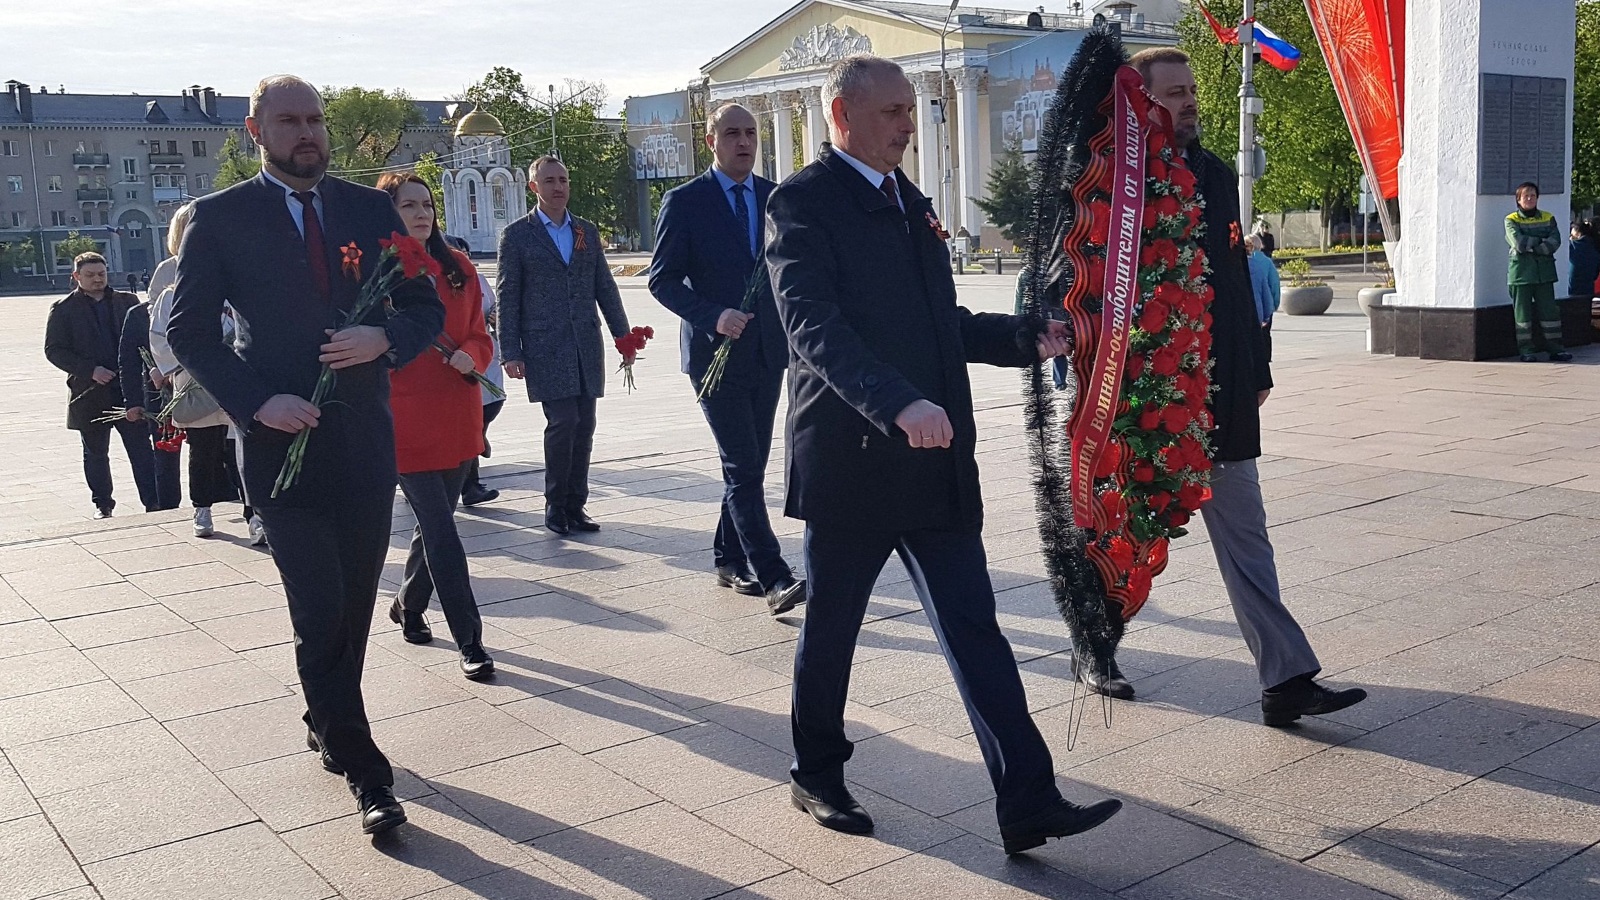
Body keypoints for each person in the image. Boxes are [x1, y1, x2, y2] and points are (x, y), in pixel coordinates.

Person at [767, 54, 1121, 855]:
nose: (905, 123)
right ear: (841, 115)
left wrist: (1024, 337)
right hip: (855, 461)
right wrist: (897, 402)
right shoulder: (802, 203)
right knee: (832, 628)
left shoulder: (909, 201)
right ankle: (816, 771)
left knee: (976, 628)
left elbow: (940, 323)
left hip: (932, 460)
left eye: (906, 110)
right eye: (891, 110)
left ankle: (1027, 799)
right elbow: (813, 328)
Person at [168, 75, 444, 836]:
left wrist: (386, 337)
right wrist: (257, 401)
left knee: (353, 605)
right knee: (318, 603)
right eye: (290, 121)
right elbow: (189, 332)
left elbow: (423, 305)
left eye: (316, 120)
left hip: (363, 443)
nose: (308, 133)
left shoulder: (369, 208)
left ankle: (326, 718)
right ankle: (367, 769)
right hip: (278, 444)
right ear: (257, 130)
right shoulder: (219, 220)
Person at [1108, 46, 1367, 725]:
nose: (1190, 101)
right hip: (1143, 403)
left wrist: (1257, 368)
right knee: (1124, 531)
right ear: (1140, 102)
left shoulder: (1215, 173)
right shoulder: (1112, 183)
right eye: (1173, 93)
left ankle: (1285, 677)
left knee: (1247, 533)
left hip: (1218, 397)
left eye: (1192, 89)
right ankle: (1095, 645)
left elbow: (1231, 283)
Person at [648, 102, 805, 615]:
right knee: (741, 466)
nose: (744, 142)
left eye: (751, 133)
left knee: (751, 465)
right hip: (713, 356)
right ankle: (774, 575)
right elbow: (661, 280)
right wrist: (712, 315)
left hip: (766, 354)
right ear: (711, 140)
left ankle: (726, 555)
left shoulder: (774, 198)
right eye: (732, 133)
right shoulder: (685, 202)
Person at [378, 171, 496, 680]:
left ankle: (408, 603)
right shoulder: (376, 271)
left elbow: (479, 332)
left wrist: (473, 354)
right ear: (389, 213)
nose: (422, 213)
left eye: (426, 204)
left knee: (436, 522)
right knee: (443, 529)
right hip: (404, 416)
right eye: (409, 206)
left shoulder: (459, 267)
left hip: (456, 408)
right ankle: (470, 639)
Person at [497, 156, 630, 536]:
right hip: (544, 346)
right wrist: (511, 350)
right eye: (550, 181)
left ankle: (577, 505)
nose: (558, 187)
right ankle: (555, 506)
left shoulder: (584, 230)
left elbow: (604, 286)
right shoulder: (518, 235)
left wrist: (624, 337)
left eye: (563, 180)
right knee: (563, 422)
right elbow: (508, 295)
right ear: (533, 187)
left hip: (585, 344)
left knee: (584, 425)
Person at [148, 202, 251, 540]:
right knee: (203, 448)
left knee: (243, 449)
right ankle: (202, 509)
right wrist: (192, 362)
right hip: (195, 380)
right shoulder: (171, 293)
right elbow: (162, 338)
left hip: (236, 378)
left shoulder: (235, 281)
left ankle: (254, 513)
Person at [44, 251, 159, 518]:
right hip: (90, 393)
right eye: (90, 275)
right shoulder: (63, 309)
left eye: (101, 274)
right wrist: (90, 371)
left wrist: (151, 368)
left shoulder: (127, 302)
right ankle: (103, 504)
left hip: (129, 390)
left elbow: (146, 340)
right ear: (76, 277)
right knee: (95, 453)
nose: (97, 279)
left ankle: (153, 502)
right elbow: (54, 350)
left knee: (142, 450)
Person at [117, 286, 183, 512]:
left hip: (199, 390)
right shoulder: (137, 315)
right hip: (158, 397)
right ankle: (166, 507)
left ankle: (217, 499)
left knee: (210, 447)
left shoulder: (198, 304)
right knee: (165, 454)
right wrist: (132, 402)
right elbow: (128, 361)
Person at [1505, 182, 1570, 363]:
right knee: (1523, 315)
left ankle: (1556, 349)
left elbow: (1555, 242)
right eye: (1526, 196)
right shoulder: (1511, 219)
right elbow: (1518, 243)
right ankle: (1526, 350)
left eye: (1533, 195)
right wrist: (1541, 242)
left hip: (1544, 273)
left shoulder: (1548, 218)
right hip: (1521, 274)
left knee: (1550, 313)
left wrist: (1532, 246)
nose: (1530, 198)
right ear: (1518, 200)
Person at [460, 276, 504, 508]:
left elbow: (495, 306)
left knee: (491, 405)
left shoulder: (477, 279)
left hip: (484, 355)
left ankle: (480, 437)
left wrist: (496, 317)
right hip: (456, 359)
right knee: (466, 423)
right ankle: (470, 487)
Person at [1245, 233, 1280, 361]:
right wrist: (1274, 304)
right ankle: (1266, 358)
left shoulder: (1240, 264)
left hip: (1246, 309)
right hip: (1264, 306)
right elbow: (1274, 284)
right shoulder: (1266, 262)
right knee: (1265, 335)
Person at [1567, 219, 1598, 304]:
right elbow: (1595, 275)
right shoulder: (1595, 248)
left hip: (1571, 292)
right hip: (1588, 293)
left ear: (1577, 234)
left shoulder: (1571, 246)